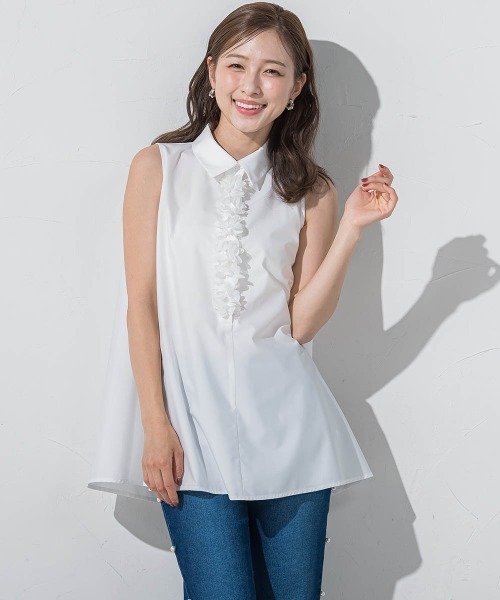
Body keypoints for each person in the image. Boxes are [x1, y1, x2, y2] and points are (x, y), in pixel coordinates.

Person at [87, 2, 398, 597]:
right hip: (189, 428)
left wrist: (352, 229)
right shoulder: (158, 167)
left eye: (273, 71)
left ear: (297, 87)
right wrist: (155, 423)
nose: (251, 86)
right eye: (236, 65)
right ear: (211, 72)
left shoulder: (314, 191)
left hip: (291, 431)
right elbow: (141, 306)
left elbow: (299, 327)